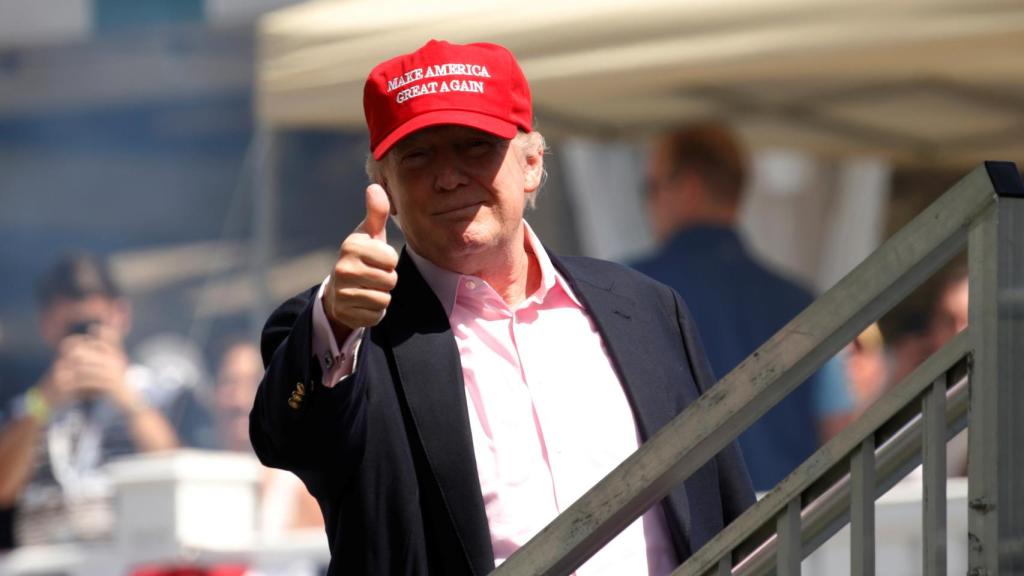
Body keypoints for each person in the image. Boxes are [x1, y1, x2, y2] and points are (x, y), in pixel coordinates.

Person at [250, 40, 754, 576]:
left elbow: (724, 505)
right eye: (418, 155)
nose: (448, 176)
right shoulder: (350, 333)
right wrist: (338, 320)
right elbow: (289, 437)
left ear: (532, 163)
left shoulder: (645, 308)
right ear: (385, 189)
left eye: (474, 146)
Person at [631, 122, 856, 492]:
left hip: (678, 534)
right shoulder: (802, 304)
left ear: (687, 187)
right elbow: (839, 432)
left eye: (651, 188)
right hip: (787, 530)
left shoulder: (625, 291)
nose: (648, 203)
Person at [0, 252, 180, 546]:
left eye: (93, 325)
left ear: (121, 317)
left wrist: (125, 396)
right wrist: (43, 402)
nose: (84, 340)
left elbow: (179, 472)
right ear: (46, 326)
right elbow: (2, 489)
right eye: (72, 329)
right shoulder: (28, 405)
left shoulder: (163, 392)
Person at [212, 338, 322, 535]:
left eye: (253, 382)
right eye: (229, 383)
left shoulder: (300, 489)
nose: (240, 399)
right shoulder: (198, 482)